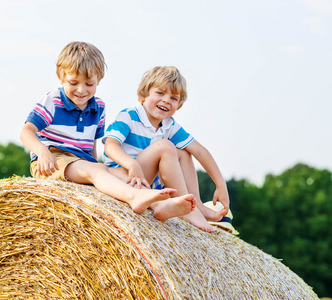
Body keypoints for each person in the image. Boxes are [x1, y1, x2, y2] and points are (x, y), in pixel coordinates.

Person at [20, 42, 195, 220]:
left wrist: (97, 165)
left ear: (99, 80)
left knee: (124, 175)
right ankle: (134, 197)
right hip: (55, 161)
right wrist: (42, 152)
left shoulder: (98, 107)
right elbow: (27, 131)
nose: (81, 90)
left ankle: (159, 205)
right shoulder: (53, 100)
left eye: (89, 84)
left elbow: (92, 144)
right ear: (60, 76)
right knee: (96, 171)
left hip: (83, 163)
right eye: (74, 82)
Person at [103, 66, 230, 232]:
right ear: (143, 95)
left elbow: (199, 151)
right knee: (166, 146)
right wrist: (132, 165)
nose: (166, 100)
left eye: (173, 98)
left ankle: (195, 203)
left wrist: (221, 185)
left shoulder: (169, 125)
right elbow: (110, 146)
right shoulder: (129, 116)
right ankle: (188, 209)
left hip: (145, 180)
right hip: (123, 176)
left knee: (184, 151)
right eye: (160, 93)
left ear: (179, 104)